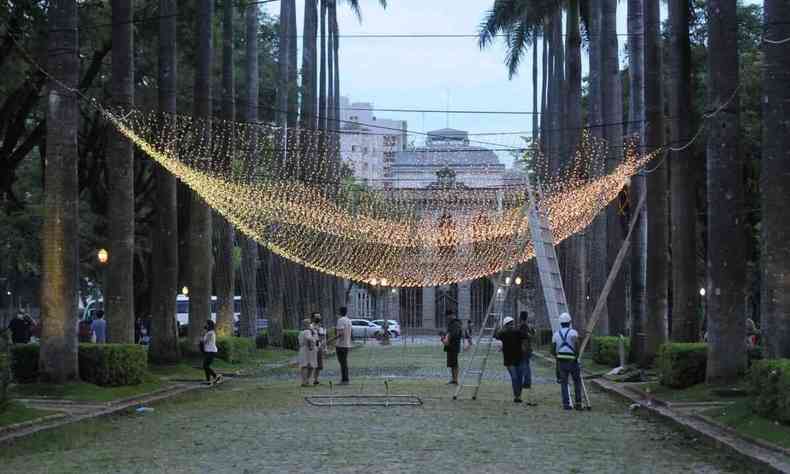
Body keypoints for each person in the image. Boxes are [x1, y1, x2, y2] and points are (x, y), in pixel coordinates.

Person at [552, 312, 582, 410]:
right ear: (569, 322)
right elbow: (577, 346)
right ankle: (578, 403)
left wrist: (557, 356)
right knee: (577, 381)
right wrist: (576, 357)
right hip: (572, 360)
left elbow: (552, 350)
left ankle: (566, 404)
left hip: (561, 361)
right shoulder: (573, 333)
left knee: (564, 383)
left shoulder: (556, 334)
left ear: (560, 323)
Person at [494, 316, 529, 403]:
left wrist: (497, 327)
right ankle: (517, 396)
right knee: (517, 378)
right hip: (515, 359)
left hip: (512, 359)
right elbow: (527, 336)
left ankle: (517, 396)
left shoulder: (507, 332)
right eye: (510, 324)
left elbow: (496, 335)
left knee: (516, 378)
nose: (511, 325)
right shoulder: (514, 332)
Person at [518, 311, 535, 390]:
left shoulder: (523, 326)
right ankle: (526, 382)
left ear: (521, 317)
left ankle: (527, 383)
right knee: (526, 366)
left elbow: (523, 338)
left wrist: (522, 348)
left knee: (525, 366)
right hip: (528, 348)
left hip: (524, 349)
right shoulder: (527, 326)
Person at [298, 318, 318, 387]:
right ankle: (305, 381)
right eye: (309, 323)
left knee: (307, 365)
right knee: (306, 366)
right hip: (307, 349)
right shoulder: (307, 331)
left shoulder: (302, 331)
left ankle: (305, 381)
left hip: (304, 349)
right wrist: (312, 344)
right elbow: (309, 339)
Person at [335, 306, 352, 385]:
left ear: (340, 312)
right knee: (344, 362)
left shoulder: (340, 320)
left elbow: (341, 333)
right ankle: (345, 379)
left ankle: (345, 380)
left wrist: (331, 340)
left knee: (342, 363)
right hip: (347, 344)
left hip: (341, 345)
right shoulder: (349, 320)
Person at [202, 320, 222, 386]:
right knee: (206, 366)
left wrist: (203, 336)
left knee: (205, 366)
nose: (205, 325)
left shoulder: (210, 333)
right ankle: (208, 381)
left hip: (211, 351)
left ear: (209, 325)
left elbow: (205, 341)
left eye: (206, 324)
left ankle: (216, 376)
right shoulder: (209, 332)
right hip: (208, 351)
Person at [445, 310, 462, 385]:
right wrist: (444, 336)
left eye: (448, 316)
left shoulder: (456, 323)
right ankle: (453, 379)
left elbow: (455, 334)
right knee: (451, 363)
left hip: (454, 345)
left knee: (454, 363)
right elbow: (449, 332)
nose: (447, 318)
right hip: (449, 345)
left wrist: (448, 337)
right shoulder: (451, 323)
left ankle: (456, 380)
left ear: (452, 315)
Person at [311, 313, 326, 385]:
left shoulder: (322, 328)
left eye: (319, 317)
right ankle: (308, 379)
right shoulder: (310, 327)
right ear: (313, 318)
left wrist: (325, 348)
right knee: (311, 364)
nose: (318, 318)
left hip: (319, 347)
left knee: (319, 365)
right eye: (316, 317)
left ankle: (316, 379)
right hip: (312, 347)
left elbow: (323, 338)